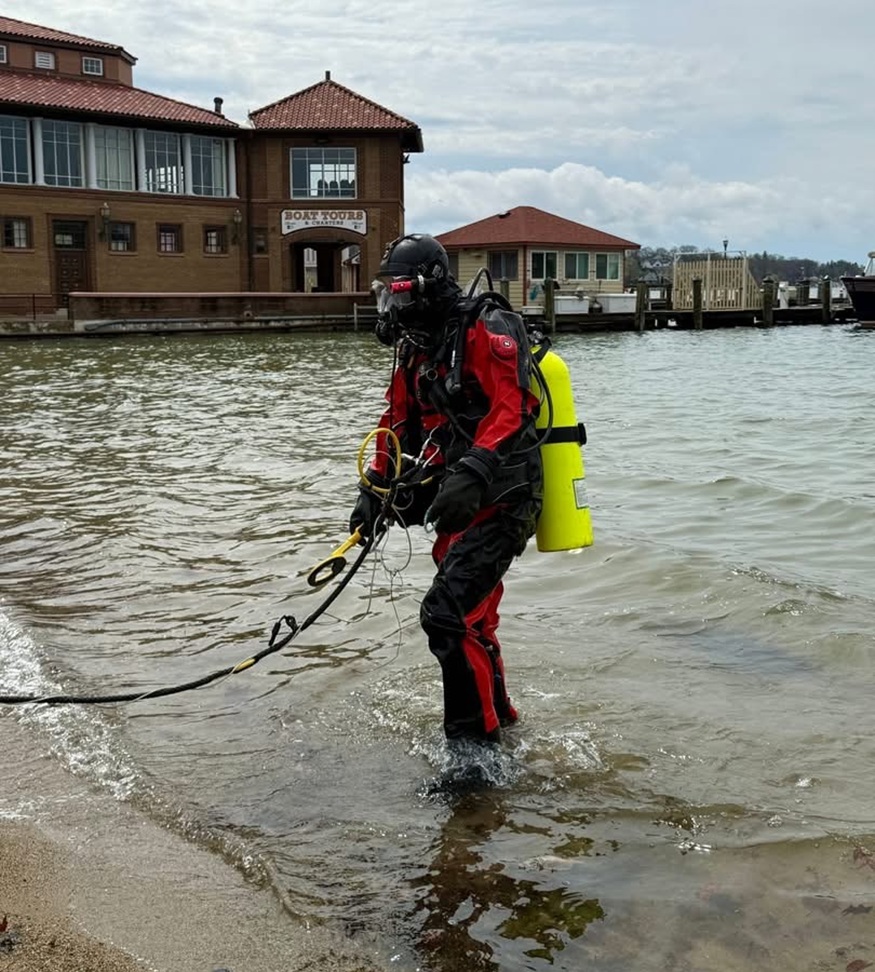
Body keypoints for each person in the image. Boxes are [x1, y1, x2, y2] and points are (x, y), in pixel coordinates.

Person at [349, 234, 543, 745]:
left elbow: (516, 404)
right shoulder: (417, 348)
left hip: (504, 496)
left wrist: (477, 467)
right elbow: (396, 418)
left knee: (445, 616)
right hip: (456, 503)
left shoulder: (489, 327)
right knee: (470, 620)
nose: (393, 306)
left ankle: (473, 755)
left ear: (429, 288)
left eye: (401, 293)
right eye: (385, 294)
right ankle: (500, 722)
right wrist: (376, 486)